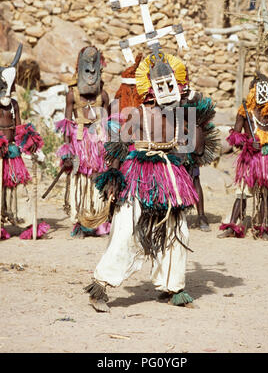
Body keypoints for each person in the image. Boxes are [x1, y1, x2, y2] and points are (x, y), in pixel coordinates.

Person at [84, 48, 214, 312]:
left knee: (176, 230)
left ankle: (173, 287)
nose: (168, 90)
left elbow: (196, 152)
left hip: (169, 177)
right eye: (161, 85)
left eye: (172, 84)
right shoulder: (138, 114)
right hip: (138, 176)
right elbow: (119, 145)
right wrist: (113, 176)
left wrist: (198, 117)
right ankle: (100, 285)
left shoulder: (181, 116)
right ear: (150, 88)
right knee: (125, 230)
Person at [218, 72, 268, 240]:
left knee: (267, 194)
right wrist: (247, 143)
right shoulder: (244, 112)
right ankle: (232, 226)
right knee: (242, 192)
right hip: (250, 158)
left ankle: (263, 228)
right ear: (252, 91)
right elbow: (234, 135)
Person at [56, 46, 111, 238]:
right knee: (80, 181)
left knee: (97, 179)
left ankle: (99, 220)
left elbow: (109, 124)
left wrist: (110, 148)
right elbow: (66, 122)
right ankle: (80, 222)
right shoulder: (72, 95)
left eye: (94, 70)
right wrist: (67, 152)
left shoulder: (103, 96)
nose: (90, 74)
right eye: (86, 70)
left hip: (98, 143)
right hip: (79, 142)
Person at [0, 44, 44, 240]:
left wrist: (31, 146)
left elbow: (18, 128)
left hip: (12, 154)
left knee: (19, 188)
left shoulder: (14, 105)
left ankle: (27, 222)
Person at [181, 82, 219, 232]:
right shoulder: (169, 98)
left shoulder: (192, 96)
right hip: (175, 144)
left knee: (195, 179)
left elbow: (198, 122)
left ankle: (201, 216)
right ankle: (179, 214)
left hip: (192, 144)